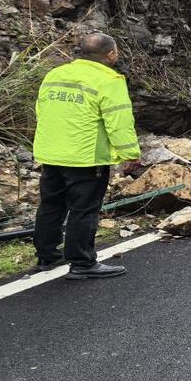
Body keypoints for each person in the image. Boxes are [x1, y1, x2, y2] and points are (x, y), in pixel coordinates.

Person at [32, 33, 141, 279]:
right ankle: (82, 262)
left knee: (51, 205)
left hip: (50, 154)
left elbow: (41, 110)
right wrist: (130, 154)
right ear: (111, 54)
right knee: (84, 209)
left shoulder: (55, 74)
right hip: (86, 156)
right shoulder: (108, 80)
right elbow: (119, 121)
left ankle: (46, 256)